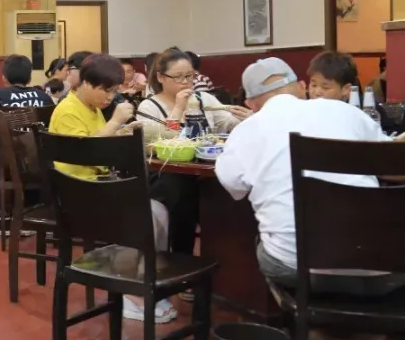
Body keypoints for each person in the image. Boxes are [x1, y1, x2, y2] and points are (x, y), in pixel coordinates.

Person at [215, 57, 405, 297]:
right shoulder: (346, 111)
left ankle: (303, 312)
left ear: (250, 104)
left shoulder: (245, 130)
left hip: (297, 268)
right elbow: (394, 165)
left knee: (267, 244)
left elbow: (234, 186)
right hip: (386, 265)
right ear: (302, 87)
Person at [50, 54, 176, 323]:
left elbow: (97, 141)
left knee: (161, 212)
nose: (110, 97)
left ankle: (146, 281)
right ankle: (131, 294)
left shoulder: (92, 107)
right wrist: (115, 122)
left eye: (113, 91)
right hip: (77, 195)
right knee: (145, 216)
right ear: (86, 83)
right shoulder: (68, 110)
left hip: (97, 188)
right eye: (105, 90)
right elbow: (86, 153)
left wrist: (122, 132)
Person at [137, 49, 246, 261]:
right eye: (178, 77)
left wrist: (246, 118)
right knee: (182, 192)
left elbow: (227, 123)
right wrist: (179, 107)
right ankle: (181, 259)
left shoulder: (204, 99)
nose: (186, 82)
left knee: (224, 188)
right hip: (166, 173)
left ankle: (223, 261)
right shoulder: (149, 106)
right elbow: (163, 138)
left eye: (190, 76)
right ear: (161, 77)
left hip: (204, 168)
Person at [0, 54, 51, 230]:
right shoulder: (43, 96)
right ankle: (30, 213)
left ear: (4, 77)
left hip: (6, 162)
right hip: (39, 162)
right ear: (29, 77)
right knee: (30, 169)